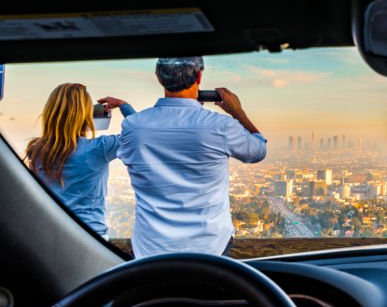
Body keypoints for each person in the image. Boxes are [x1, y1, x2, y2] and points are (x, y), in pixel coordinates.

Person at [119, 56, 267, 258]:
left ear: (159, 77)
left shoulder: (133, 126)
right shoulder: (220, 126)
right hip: (210, 246)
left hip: (150, 247)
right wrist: (238, 112)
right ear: (198, 77)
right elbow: (258, 151)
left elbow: (146, 131)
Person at [24, 83, 135, 238]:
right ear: (85, 116)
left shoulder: (36, 150)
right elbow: (141, 134)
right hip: (90, 235)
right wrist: (124, 105)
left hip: (47, 233)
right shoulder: (100, 148)